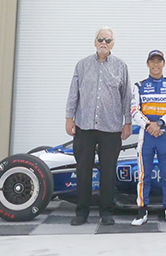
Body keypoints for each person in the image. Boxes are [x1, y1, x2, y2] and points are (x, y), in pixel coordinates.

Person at [64, 27, 132, 226]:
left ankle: (106, 211)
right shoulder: (82, 65)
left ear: (112, 44)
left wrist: (127, 123)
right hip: (84, 126)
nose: (104, 42)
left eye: (108, 40)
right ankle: (82, 212)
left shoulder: (121, 66)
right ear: (95, 41)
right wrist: (69, 118)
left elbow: (126, 97)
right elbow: (73, 93)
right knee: (83, 170)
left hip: (111, 128)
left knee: (108, 171)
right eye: (100, 39)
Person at [130, 50, 166, 226]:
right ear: (147, 64)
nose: (156, 64)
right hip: (146, 135)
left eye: (159, 61)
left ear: (164, 63)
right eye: (152, 61)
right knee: (144, 174)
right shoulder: (139, 85)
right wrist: (149, 126)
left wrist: (160, 123)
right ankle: (141, 211)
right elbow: (133, 110)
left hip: (164, 134)